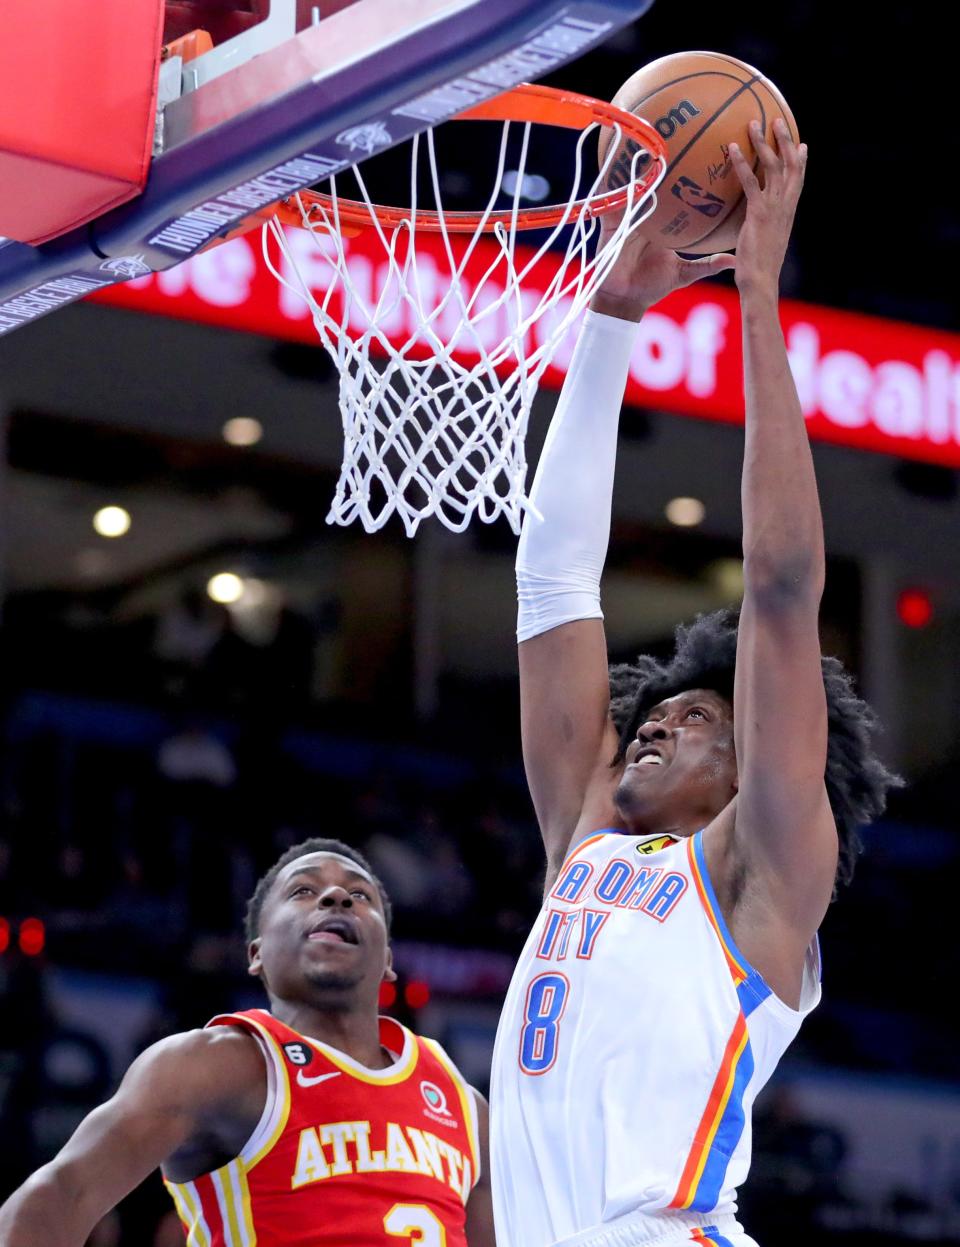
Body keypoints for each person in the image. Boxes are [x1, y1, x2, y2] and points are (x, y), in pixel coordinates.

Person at [489, 119, 899, 1247]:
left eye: (702, 714)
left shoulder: (760, 870)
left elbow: (778, 585)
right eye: (662, 707)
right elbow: (552, 579)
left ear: (751, 766)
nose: (662, 713)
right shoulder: (585, 833)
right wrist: (612, 317)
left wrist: (756, 296)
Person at [0, 839, 494, 1247]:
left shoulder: (462, 1104)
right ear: (256, 954)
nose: (336, 898)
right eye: (303, 890)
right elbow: (60, 1193)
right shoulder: (218, 1063)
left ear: (387, 958)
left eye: (359, 895)